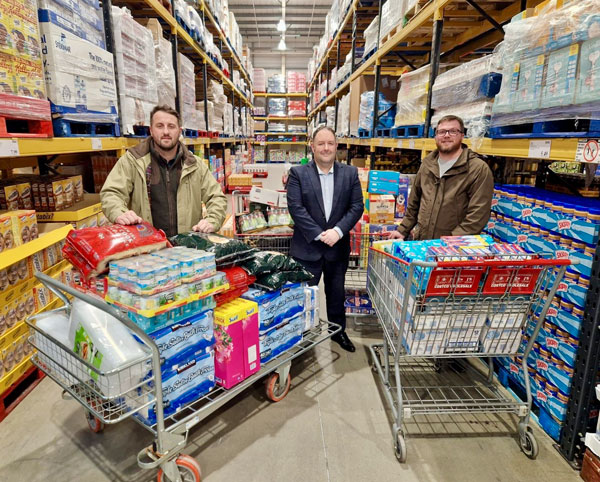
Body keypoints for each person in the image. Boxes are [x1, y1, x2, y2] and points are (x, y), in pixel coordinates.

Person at [286, 125, 364, 352]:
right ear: (312, 146)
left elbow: (357, 206)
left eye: (330, 143)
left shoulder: (350, 174)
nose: (326, 148)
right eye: (321, 144)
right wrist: (319, 234)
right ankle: (301, 336)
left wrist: (338, 231)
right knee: (304, 296)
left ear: (336, 146)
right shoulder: (298, 174)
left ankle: (338, 332)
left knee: (336, 294)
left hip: (337, 248)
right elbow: (296, 208)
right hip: (307, 248)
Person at [100, 105, 227, 237]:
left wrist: (212, 220)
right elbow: (111, 193)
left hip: (187, 247)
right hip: (147, 246)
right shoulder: (133, 161)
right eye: (160, 126)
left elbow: (216, 197)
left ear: (179, 131)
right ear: (151, 130)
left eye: (171, 126)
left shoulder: (195, 165)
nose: (166, 132)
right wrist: (119, 213)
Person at [390, 115, 494, 240]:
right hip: (422, 244)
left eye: (453, 131)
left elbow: (477, 216)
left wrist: (449, 241)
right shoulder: (427, 164)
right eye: (442, 132)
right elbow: (414, 203)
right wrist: (403, 230)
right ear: (435, 136)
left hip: (452, 251)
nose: (446, 135)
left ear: (462, 135)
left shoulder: (477, 169)